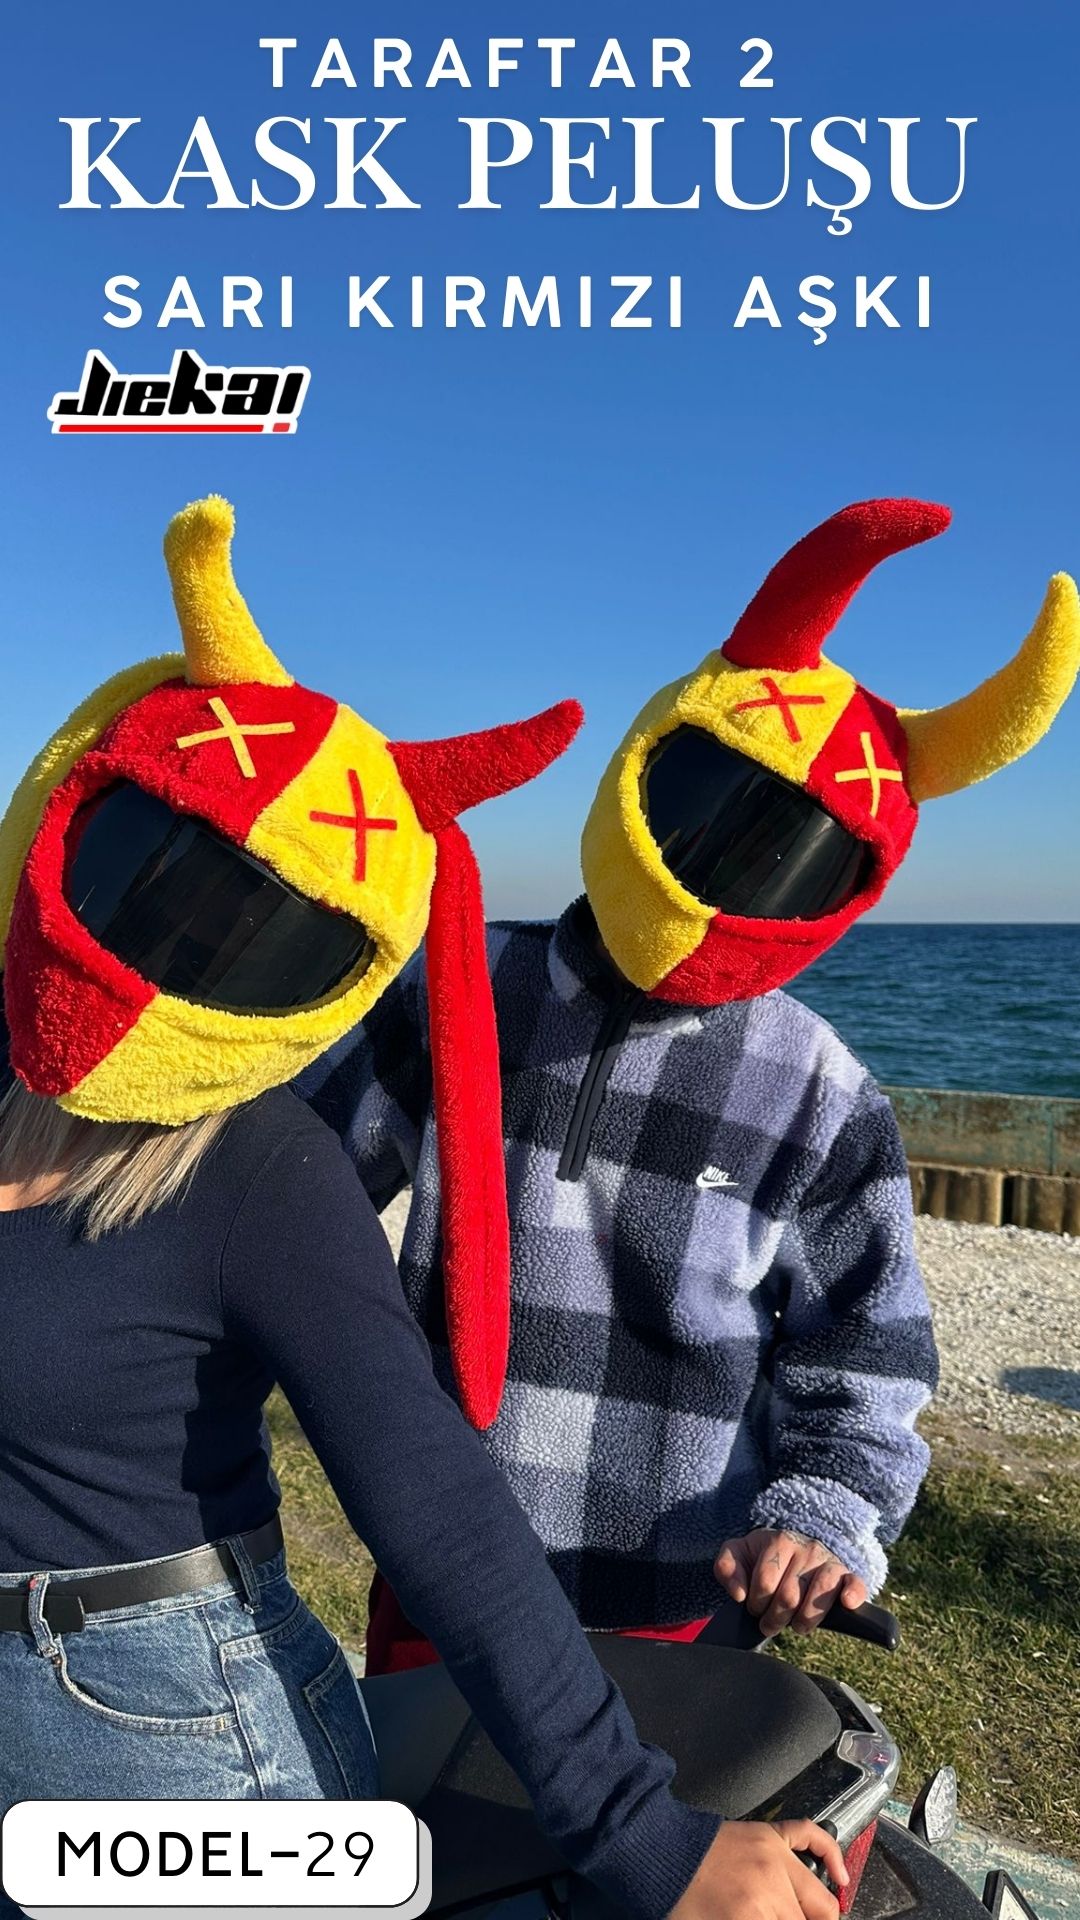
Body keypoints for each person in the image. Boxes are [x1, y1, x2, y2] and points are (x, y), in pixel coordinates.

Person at [0, 496, 846, 1920]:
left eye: (260, 938)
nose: (180, 949)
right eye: (152, 876)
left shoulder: (254, 1166)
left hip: (162, 1728)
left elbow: (436, 1499)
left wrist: (646, 1836)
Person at [303, 497, 1080, 1670]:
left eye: (790, 863)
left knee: (668, 1800)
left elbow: (866, 1353)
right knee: (431, 1792)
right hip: (442, 1565)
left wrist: (824, 1518)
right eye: (703, 813)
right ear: (644, 764)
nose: (722, 881)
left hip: (683, 1594)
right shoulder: (459, 984)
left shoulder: (821, 1090)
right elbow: (293, 1189)